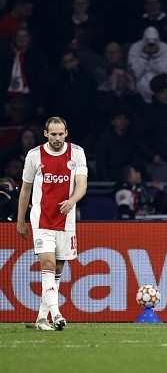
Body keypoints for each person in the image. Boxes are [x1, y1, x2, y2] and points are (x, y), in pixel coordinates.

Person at [16, 117, 88, 331]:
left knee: (57, 268)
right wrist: (21, 220)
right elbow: (25, 189)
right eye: (53, 134)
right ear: (45, 134)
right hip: (41, 220)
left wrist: (72, 201)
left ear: (66, 133)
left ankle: (41, 318)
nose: (57, 138)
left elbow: (82, 185)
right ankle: (56, 314)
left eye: (61, 134)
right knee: (47, 264)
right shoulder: (34, 156)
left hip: (66, 222)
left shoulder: (77, 153)